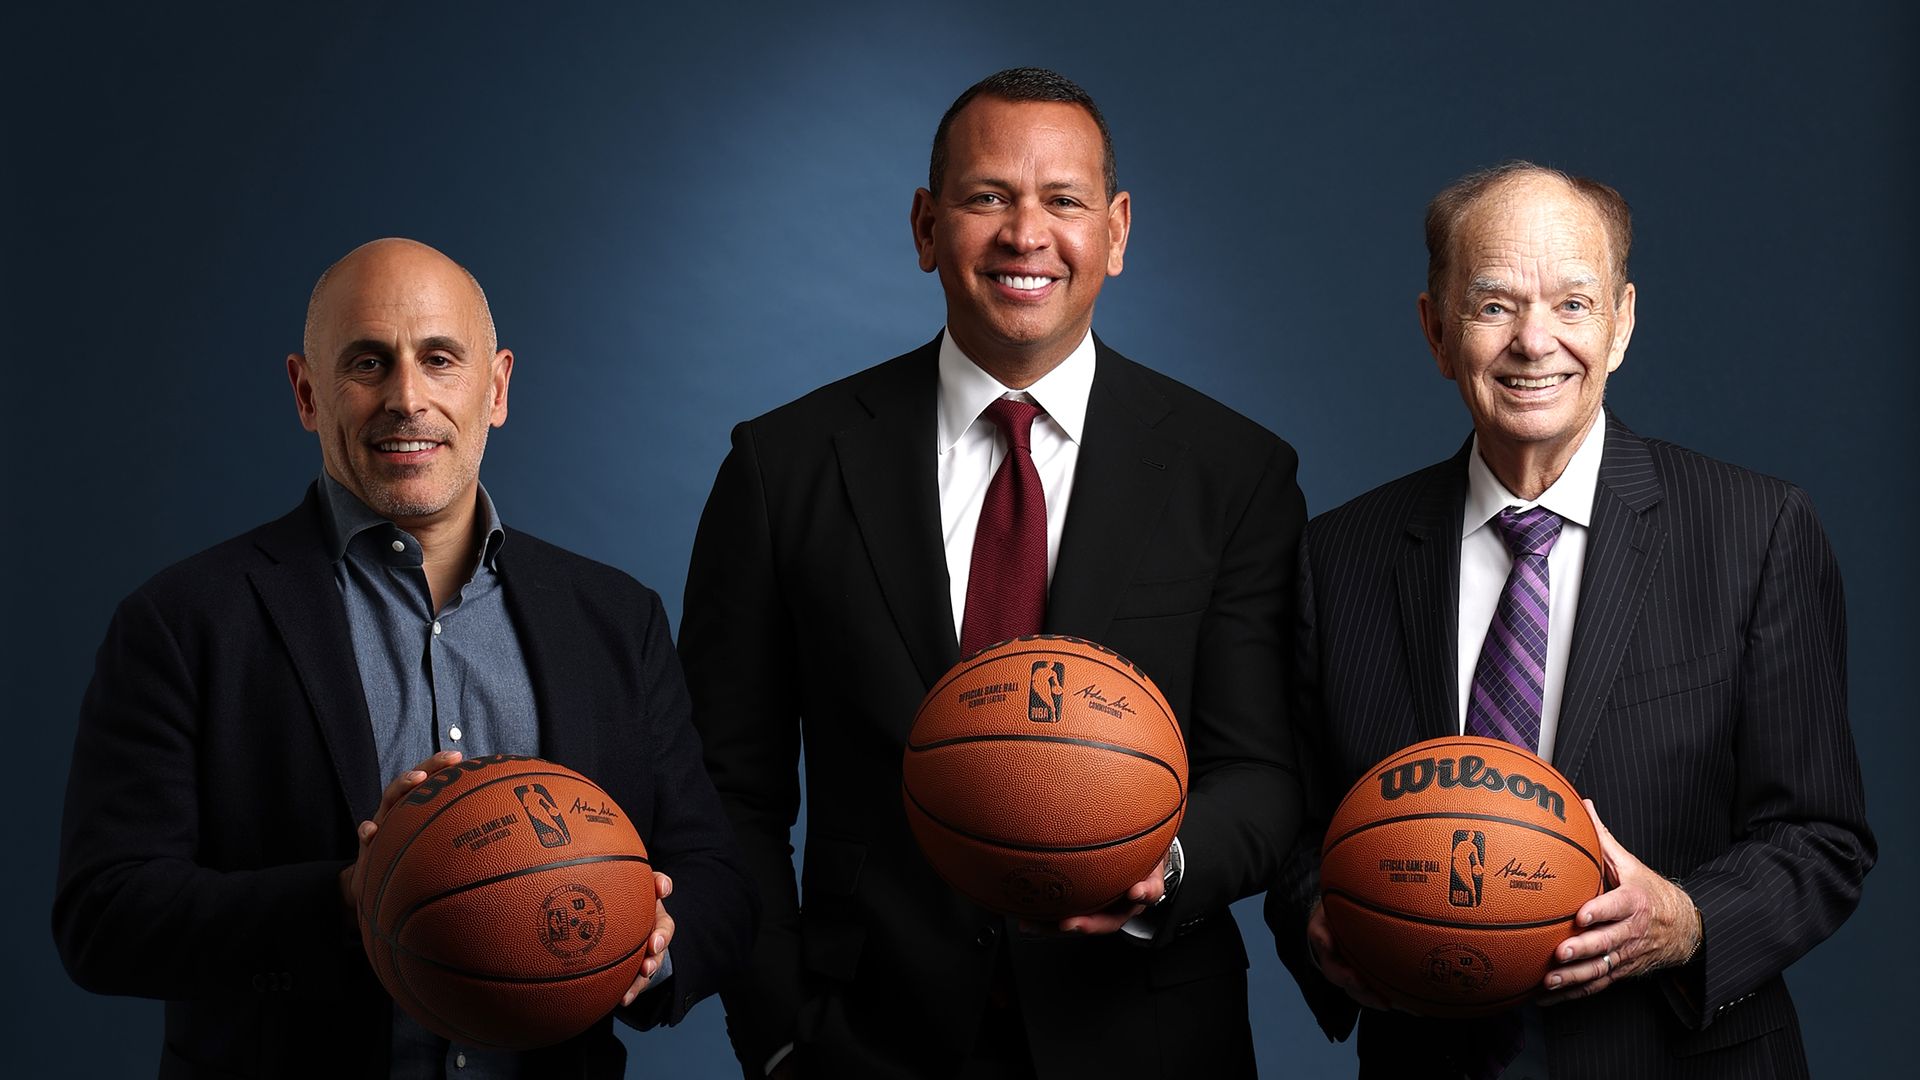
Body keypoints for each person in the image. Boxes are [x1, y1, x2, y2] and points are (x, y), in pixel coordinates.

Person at [679, 67, 1305, 1080]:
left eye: (1062, 200)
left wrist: (1166, 861)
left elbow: (1265, 773)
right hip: (864, 1046)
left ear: (1117, 230)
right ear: (928, 226)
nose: (1026, 235)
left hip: (1146, 1042)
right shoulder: (783, 466)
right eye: (987, 198)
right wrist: (782, 1034)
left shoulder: (1232, 473)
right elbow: (724, 788)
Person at [53, 238, 758, 1078]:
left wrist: (654, 942)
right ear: (307, 393)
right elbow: (103, 917)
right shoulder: (183, 620)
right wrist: (349, 899)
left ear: (495, 388)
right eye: (366, 363)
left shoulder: (614, 616)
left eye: (439, 359)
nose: (407, 398)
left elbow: (714, 873)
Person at [1265, 162, 1874, 1078]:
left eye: (1574, 303)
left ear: (1622, 322)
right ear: (1435, 330)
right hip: (1433, 1054)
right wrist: (1324, 916)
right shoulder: (1338, 558)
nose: (1534, 342)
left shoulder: (1756, 532)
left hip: (1681, 1056)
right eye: (1494, 306)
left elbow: (1823, 838)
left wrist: (1687, 921)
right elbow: (1296, 825)